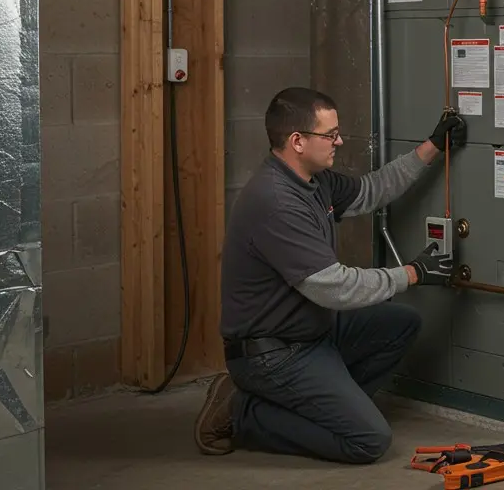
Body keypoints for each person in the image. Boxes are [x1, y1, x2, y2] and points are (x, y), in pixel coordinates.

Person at [194, 87, 465, 463]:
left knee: (400, 323)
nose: (338, 140)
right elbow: (334, 288)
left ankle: (326, 409)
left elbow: (373, 190)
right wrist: (412, 274)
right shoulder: (276, 202)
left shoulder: (315, 181)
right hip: (274, 353)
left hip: (311, 330)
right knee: (368, 441)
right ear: (297, 141)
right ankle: (242, 411)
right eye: (329, 134)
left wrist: (432, 146)